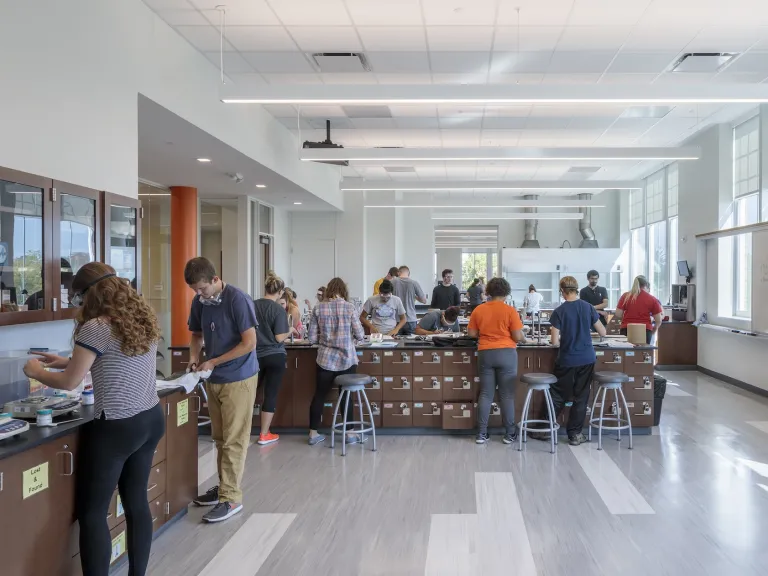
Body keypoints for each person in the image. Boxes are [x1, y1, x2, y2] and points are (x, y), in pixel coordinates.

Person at [23, 262, 164, 576]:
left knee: (92, 513)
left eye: (78, 298)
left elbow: (71, 382)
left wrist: (38, 372)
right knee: (136, 502)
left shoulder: (96, 326)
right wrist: (63, 361)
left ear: (91, 294)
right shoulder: (139, 316)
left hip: (117, 425)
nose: (79, 305)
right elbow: (110, 358)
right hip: (150, 418)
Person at [185, 257, 258, 523]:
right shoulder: (200, 302)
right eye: (195, 290)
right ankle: (223, 489)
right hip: (213, 378)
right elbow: (196, 334)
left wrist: (213, 360)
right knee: (219, 438)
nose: (199, 294)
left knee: (234, 439)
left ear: (215, 280)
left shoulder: (237, 299)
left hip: (238, 377)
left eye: (202, 289)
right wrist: (194, 357)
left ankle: (231, 499)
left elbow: (249, 342)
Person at [532, 276, 606, 446]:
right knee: (581, 396)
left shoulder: (559, 311)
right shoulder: (588, 307)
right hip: (587, 359)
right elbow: (602, 332)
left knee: (557, 394)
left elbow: (554, 342)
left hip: (567, 359)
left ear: (563, 292)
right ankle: (575, 435)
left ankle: (546, 430)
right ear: (577, 289)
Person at [307, 277, 366, 446]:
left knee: (319, 395)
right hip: (347, 359)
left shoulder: (318, 308)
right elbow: (360, 335)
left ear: (329, 290)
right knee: (346, 396)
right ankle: (350, 434)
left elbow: (311, 338)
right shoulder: (349, 307)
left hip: (325, 359)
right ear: (343, 291)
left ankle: (313, 434)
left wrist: (325, 339)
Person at [467, 277, 524, 445]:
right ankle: (509, 434)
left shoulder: (479, 309)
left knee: (485, 394)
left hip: (485, 353)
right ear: (506, 293)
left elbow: (471, 334)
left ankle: (481, 434)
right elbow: (517, 336)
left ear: (488, 292)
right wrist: (523, 336)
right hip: (507, 353)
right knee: (506, 395)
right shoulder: (510, 311)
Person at [254, 272, 292, 446]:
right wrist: (290, 330)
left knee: (250, 394)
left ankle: (241, 430)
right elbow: (278, 337)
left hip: (254, 356)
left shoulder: (251, 306)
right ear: (280, 292)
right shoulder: (278, 309)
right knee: (270, 394)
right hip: (275, 356)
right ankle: (264, 434)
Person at [615, 275, 663, 345]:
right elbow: (659, 320)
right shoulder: (652, 299)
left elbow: (618, 314)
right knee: (643, 353)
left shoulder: (626, 296)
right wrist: (653, 331)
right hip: (645, 331)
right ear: (646, 285)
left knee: (627, 353)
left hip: (627, 329)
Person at [391, 265, 427, 335]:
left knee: (396, 342)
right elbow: (424, 301)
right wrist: (414, 296)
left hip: (396, 319)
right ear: (408, 273)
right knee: (411, 343)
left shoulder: (392, 282)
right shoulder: (414, 283)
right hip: (411, 319)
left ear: (398, 272)